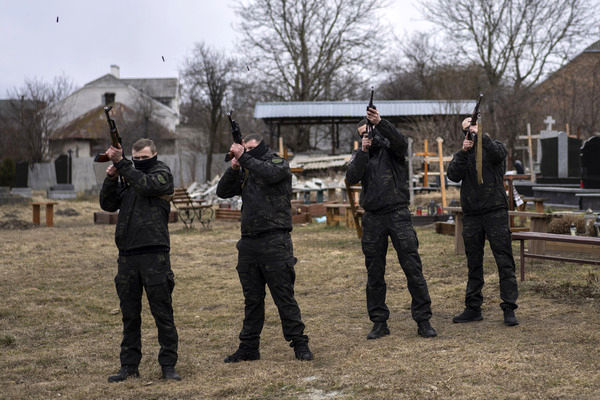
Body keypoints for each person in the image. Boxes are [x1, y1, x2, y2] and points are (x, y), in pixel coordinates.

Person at [217, 133, 313, 362]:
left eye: (250, 148)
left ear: (260, 147)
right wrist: (233, 168)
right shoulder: (247, 169)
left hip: (275, 240)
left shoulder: (277, 162)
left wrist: (245, 158)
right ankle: (249, 347)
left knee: (284, 296)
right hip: (249, 241)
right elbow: (222, 192)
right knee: (252, 299)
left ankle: (300, 344)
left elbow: (270, 174)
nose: (246, 152)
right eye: (244, 149)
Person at [346, 107, 437, 340]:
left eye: (368, 132)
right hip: (373, 218)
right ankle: (379, 322)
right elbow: (351, 177)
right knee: (374, 273)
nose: (365, 136)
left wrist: (381, 122)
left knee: (412, 268)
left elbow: (402, 143)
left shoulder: (392, 151)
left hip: (397, 214)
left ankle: (423, 320)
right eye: (361, 134)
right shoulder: (361, 155)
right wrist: (364, 151)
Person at [100, 138, 181, 382]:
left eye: (145, 158)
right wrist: (112, 177)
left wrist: (124, 165)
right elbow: (107, 204)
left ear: (154, 155)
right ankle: (129, 366)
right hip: (127, 256)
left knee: (162, 313)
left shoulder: (161, 173)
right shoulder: (128, 175)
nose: (141, 162)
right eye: (137, 158)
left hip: (154, 254)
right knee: (130, 315)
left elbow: (146, 186)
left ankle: (168, 365)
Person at [446, 118, 519, 326]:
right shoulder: (464, 154)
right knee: (473, 263)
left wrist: (482, 137)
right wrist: (462, 152)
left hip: (495, 211)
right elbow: (453, 175)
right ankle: (473, 308)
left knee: (504, 261)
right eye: (466, 129)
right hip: (472, 214)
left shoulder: (493, 146)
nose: (470, 131)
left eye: (473, 127)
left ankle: (509, 308)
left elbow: (499, 154)